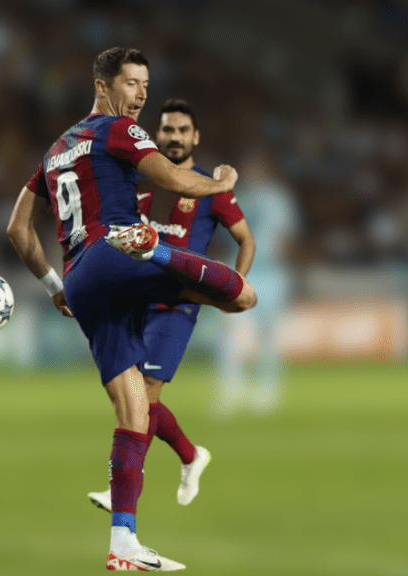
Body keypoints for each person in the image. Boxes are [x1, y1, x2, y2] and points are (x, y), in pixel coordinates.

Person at [7, 48, 256, 572]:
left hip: (78, 278)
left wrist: (54, 285)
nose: (141, 94)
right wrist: (222, 185)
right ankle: (157, 248)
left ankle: (124, 544)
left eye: (146, 84)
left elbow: (17, 228)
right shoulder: (117, 130)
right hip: (116, 252)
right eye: (132, 83)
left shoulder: (54, 150)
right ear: (102, 86)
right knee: (241, 297)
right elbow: (173, 178)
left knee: (134, 410)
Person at [86, 99, 256, 513]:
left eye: (182, 130)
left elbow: (246, 239)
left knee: (142, 396)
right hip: (136, 297)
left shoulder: (207, 188)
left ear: (195, 137)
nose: (174, 137)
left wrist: (238, 284)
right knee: (134, 398)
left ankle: (122, 491)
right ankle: (190, 454)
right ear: (156, 134)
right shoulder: (142, 181)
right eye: (167, 130)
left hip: (177, 304)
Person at [214, 150, 298, 416]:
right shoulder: (236, 198)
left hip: (270, 271)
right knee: (230, 330)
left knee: (268, 333)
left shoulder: (276, 198)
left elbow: (285, 236)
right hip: (240, 271)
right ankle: (232, 388)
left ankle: (267, 390)